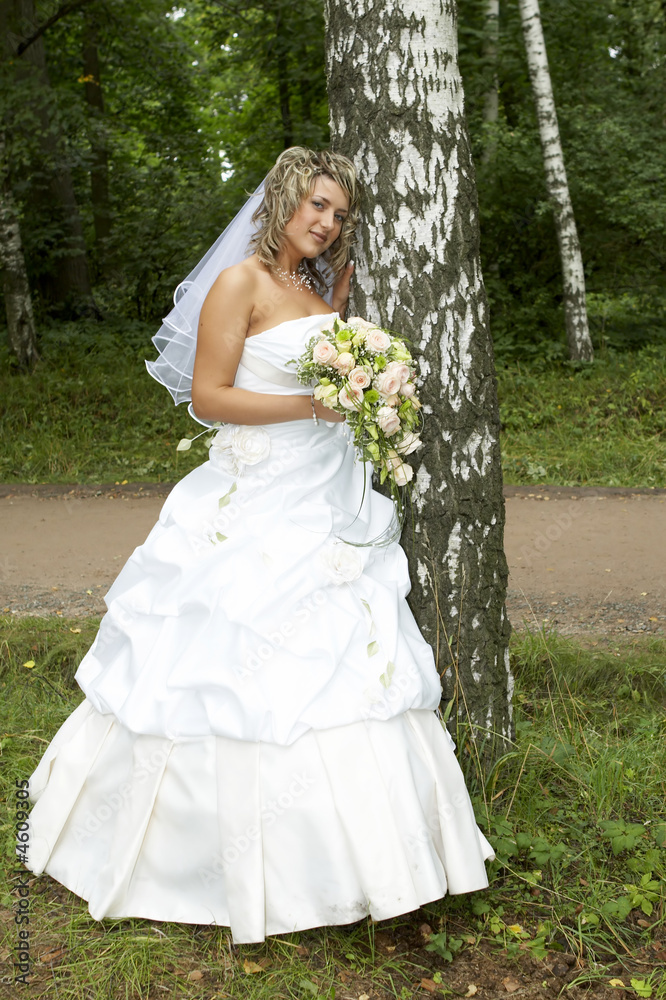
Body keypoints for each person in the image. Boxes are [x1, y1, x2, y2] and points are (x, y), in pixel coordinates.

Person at [23, 147, 493, 945]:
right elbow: (209, 396)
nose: (327, 221)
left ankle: (373, 869)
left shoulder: (312, 287)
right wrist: (315, 407)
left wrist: (352, 362)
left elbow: (322, 365)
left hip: (327, 494)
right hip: (258, 496)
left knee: (347, 660)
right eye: (317, 205)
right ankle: (195, 868)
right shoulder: (239, 281)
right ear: (283, 201)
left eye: (340, 213)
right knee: (234, 664)